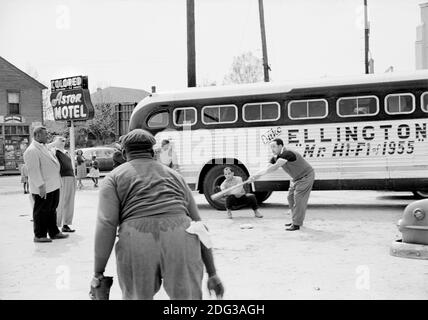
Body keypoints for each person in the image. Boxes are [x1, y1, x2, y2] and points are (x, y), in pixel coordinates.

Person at [92, 129, 224, 300]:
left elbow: (106, 223)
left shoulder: (113, 177)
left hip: (137, 239)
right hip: (181, 237)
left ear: (124, 153)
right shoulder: (175, 176)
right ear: (152, 152)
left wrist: (98, 271)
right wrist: (212, 273)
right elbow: (198, 225)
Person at [249, 138, 315, 231]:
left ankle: (296, 224)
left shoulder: (287, 153)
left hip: (306, 176)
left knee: (299, 200)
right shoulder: (275, 157)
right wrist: (255, 177)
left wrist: (256, 176)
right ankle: (294, 220)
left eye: (274, 146)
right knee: (290, 198)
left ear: (280, 146)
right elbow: (267, 168)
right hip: (295, 178)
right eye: (271, 147)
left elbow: (274, 167)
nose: (272, 149)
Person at [23, 126, 69, 242]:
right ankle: (39, 235)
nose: (47, 136)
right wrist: (40, 186)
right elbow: (33, 170)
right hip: (43, 187)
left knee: (52, 209)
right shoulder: (31, 150)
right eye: (45, 134)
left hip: (53, 185)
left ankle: (53, 232)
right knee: (41, 211)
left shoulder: (42, 147)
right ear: (38, 135)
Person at [49, 136, 76, 233]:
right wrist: (54, 144)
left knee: (69, 202)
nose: (63, 142)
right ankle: (56, 225)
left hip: (70, 177)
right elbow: (45, 149)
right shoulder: (54, 151)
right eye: (61, 140)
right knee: (60, 202)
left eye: (64, 140)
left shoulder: (66, 152)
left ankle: (66, 224)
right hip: (61, 177)